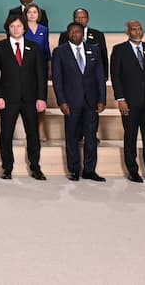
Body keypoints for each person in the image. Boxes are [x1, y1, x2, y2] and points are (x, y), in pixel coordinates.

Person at [0, 14, 48, 180]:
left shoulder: (34, 47)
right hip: (7, 99)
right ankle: (7, 168)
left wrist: (41, 98)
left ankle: (35, 167)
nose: (15, 29)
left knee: (33, 134)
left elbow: (40, 75)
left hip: (31, 99)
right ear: (8, 29)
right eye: (12, 26)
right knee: (6, 134)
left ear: (24, 28)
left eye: (19, 26)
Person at [110, 20, 145, 183]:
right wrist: (120, 99)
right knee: (131, 136)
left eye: (139, 29)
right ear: (127, 32)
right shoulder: (119, 50)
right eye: (133, 29)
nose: (137, 32)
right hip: (129, 102)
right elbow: (116, 77)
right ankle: (133, 171)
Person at [52, 22, 107, 181]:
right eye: (72, 32)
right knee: (72, 136)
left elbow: (99, 76)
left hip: (91, 101)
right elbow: (57, 79)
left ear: (83, 33)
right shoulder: (60, 52)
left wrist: (102, 99)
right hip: (71, 102)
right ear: (68, 34)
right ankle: (74, 169)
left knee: (91, 136)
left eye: (78, 32)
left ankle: (90, 170)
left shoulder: (94, 49)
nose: (75, 34)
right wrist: (62, 101)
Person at [58, 8, 109, 76]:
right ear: (73, 19)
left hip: (92, 75)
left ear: (88, 19)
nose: (80, 20)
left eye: (83, 17)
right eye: (77, 17)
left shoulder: (98, 35)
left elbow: (103, 56)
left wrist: (104, 76)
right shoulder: (65, 35)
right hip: (71, 76)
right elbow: (60, 58)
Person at [22, 3, 52, 69]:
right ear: (25, 14)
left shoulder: (44, 29)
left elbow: (46, 48)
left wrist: (50, 66)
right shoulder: (21, 29)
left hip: (41, 63)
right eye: (29, 12)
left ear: (38, 14)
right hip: (25, 64)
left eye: (34, 12)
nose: (32, 15)